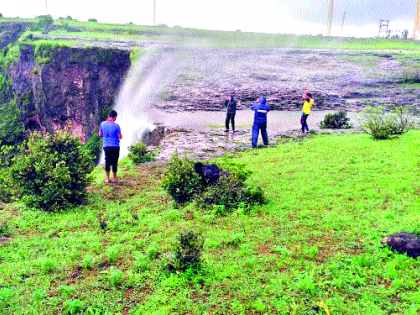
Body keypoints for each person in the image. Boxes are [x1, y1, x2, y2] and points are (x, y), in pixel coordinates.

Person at [98, 110, 122, 183]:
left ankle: (107, 179)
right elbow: (120, 136)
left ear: (108, 115)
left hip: (106, 145)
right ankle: (114, 178)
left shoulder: (102, 124)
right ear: (115, 117)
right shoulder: (116, 126)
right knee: (115, 161)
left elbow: (100, 134)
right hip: (115, 146)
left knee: (107, 161)